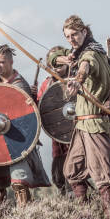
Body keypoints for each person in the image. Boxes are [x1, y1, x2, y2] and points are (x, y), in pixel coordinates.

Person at [48, 15, 110, 217]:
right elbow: (51, 58)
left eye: (75, 35)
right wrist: (66, 58)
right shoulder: (86, 51)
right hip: (82, 125)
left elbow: (85, 68)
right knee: (72, 170)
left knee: (102, 175)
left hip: (93, 123)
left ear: (84, 32)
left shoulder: (91, 54)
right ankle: (84, 216)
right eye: (68, 37)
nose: (71, 40)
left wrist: (78, 80)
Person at [0, 45, 51, 206]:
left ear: (10, 62)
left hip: (17, 140)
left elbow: (26, 119)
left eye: (1, 62)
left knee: (19, 182)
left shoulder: (20, 86)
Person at [37, 46, 71, 196]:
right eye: (53, 64)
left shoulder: (76, 79)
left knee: (76, 175)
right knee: (59, 176)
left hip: (76, 135)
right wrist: (33, 97)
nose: (56, 68)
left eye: (59, 63)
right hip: (57, 136)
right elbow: (40, 107)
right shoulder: (46, 84)